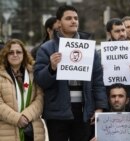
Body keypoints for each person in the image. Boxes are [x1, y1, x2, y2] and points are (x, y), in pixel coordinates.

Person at [34, 5, 108, 141]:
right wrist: (51, 67)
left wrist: (99, 108)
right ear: (58, 22)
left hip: (84, 111)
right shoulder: (46, 48)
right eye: (68, 18)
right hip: (57, 113)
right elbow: (40, 80)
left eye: (75, 18)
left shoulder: (89, 48)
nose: (73, 21)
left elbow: (98, 81)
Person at [0, 39, 45, 141]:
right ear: (5, 55)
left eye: (18, 52)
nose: (15, 55)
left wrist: (26, 116)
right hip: (7, 130)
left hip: (33, 130)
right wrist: (17, 118)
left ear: (24, 54)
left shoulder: (33, 73)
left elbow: (40, 97)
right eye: (11, 52)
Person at [105, 18, 130, 112]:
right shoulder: (101, 54)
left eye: (123, 30)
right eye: (117, 31)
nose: (121, 34)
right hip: (108, 102)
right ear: (110, 33)